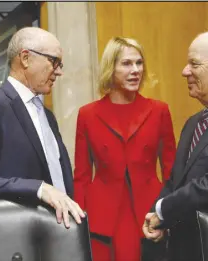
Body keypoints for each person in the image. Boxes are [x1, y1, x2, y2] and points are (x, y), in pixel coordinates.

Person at [0, 27, 84, 228]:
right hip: (14, 238)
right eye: (54, 61)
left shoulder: (47, 115)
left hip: (55, 233)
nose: (59, 71)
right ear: (25, 58)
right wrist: (39, 189)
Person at [74, 37, 177, 261]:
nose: (135, 71)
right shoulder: (87, 114)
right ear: (111, 68)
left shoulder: (159, 110)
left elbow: (171, 171)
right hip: (102, 219)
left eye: (139, 63)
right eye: (127, 64)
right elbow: (81, 176)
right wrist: (79, 224)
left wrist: (168, 215)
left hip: (149, 214)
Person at [143, 29, 208, 261]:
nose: (184, 71)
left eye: (194, 64)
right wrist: (156, 215)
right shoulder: (193, 123)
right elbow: (176, 180)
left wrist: (164, 211)